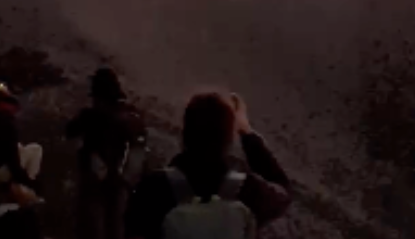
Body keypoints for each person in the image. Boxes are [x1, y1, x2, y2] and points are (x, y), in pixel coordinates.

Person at [125, 92, 291, 238]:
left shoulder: (153, 188)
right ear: (228, 140)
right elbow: (284, 192)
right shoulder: (248, 189)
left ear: (185, 135)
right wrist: (246, 132)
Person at [67, 68, 146, 239]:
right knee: (112, 227)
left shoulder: (93, 116)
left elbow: (69, 131)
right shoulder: (127, 117)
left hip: (98, 181)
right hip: (116, 182)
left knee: (91, 226)